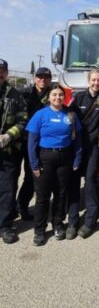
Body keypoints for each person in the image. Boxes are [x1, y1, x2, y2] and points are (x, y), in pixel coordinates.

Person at [26, 86, 83, 245]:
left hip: (65, 158)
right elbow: (32, 142)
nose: (58, 97)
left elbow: (78, 140)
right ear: (49, 97)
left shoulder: (70, 115)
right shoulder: (40, 115)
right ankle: (39, 230)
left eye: (60, 95)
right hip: (45, 158)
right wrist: (34, 164)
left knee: (61, 194)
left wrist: (77, 159)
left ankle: (58, 224)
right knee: (43, 196)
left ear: (64, 97)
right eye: (54, 94)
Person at [67, 69, 99, 238]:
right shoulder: (78, 98)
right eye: (93, 80)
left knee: (91, 181)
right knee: (73, 182)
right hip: (77, 147)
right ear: (88, 80)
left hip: (93, 148)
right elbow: (67, 117)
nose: (96, 83)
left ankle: (90, 222)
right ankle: (72, 221)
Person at [16, 67, 54, 221]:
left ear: (50, 79)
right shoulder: (23, 93)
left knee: (31, 176)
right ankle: (10, 209)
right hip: (19, 140)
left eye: (46, 77)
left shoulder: (53, 95)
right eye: (39, 77)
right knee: (11, 178)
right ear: (34, 78)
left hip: (37, 143)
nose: (42, 80)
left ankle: (22, 207)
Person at [0, 59, 28, 244]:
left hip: (8, 150)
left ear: (6, 73)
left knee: (7, 189)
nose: (0, 73)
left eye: (2, 70)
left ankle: (5, 225)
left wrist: (8, 136)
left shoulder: (16, 95)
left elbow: (23, 120)